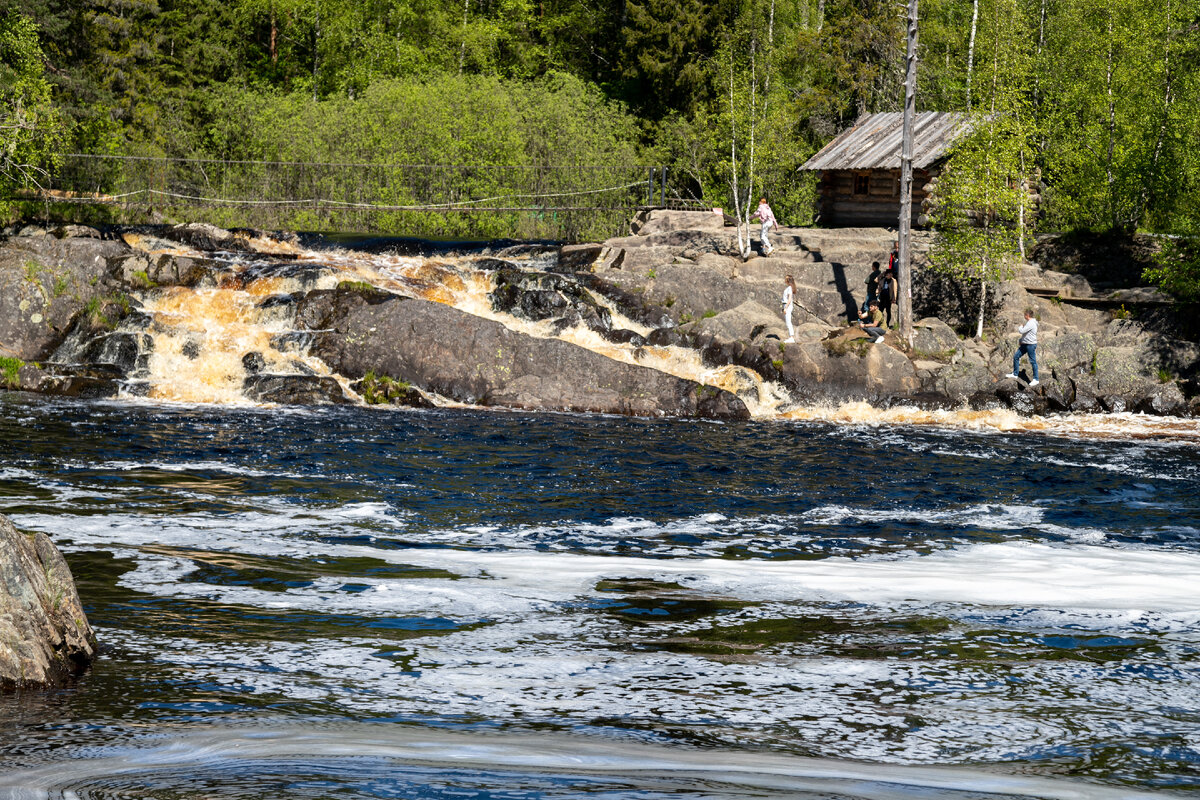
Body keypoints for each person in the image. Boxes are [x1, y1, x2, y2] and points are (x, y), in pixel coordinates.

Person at [1005, 309, 1039, 386]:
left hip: (1030, 345)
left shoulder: (1031, 323)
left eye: (1024, 315)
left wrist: (1020, 326)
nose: (1024, 316)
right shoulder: (1029, 322)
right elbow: (1026, 334)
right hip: (1025, 344)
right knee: (1016, 356)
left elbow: (1022, 331)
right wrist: (1021, 340)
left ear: (1027, 315)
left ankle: (1036, 379)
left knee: (1033, 361)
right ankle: (1015, 374)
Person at [781, 274, 796, 343]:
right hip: (786, 305)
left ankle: (791, 337)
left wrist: (785, 308)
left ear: (788, 281)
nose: (785, 280)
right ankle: (791, 337)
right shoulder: (789, 288)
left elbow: (789, 299)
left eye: (786, 279)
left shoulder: (789, 288)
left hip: (787, 306)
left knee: (788, 322)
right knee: (788, 322)